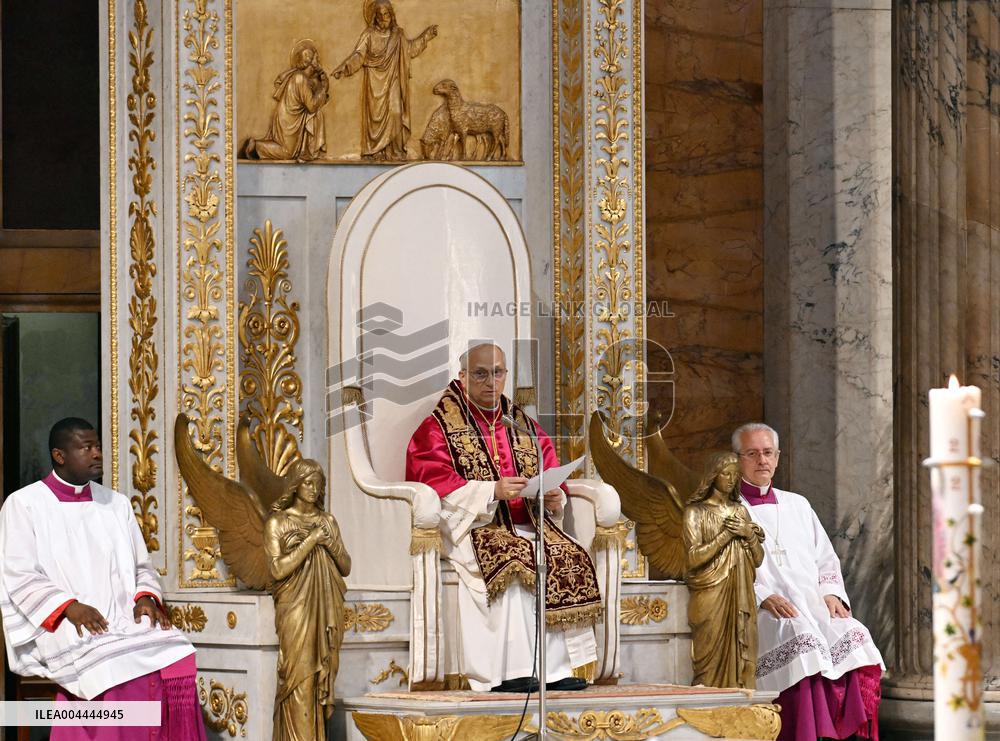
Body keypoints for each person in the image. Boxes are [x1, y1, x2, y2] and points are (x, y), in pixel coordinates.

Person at [405, 343, 601, 692]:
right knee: (514, 557)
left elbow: (549, 466)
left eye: (498, 372)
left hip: (530, 523)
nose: (491, 382)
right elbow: (433, 481)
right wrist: (491, 491)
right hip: (475, 526)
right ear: (463, 376)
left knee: (565, 555)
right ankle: (509, 671)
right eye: (481, 373)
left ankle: (554, 671)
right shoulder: (438, 427)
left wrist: (556, 497)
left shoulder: (519, 423)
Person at [0, 418, 205, 740]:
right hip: (62, 621)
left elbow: (142, 566)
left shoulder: (116, 503)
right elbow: (19, 573)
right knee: (110, 665)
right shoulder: (24, 504)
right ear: (59, 455)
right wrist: (69, 607)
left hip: (121, 615)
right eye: (86, 448)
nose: (97, 454)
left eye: (98, 446)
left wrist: (146, 598)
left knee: (178, 650)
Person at [734, 422, 884, 741]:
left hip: (812, 603)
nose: (762, 460)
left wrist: (831, 593)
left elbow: (825, 557)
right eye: (752, 453)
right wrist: (761, 595)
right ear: (737, 459)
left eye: (768, 453)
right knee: (803, 640)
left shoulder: (798, 504)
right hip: (762, 610)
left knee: (855, 633)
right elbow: (726, 569)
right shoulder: (729, 510)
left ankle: (848, 733)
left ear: (777, 457)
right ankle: (807, 734)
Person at [264, 458, 351, 740]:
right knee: (299, 678)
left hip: (326, 607)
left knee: (319, 679)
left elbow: (346, 566)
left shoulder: (328, 521)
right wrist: (310, 541)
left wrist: (330, 543)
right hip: (295, 608)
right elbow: (277, 569)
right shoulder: (277, 522)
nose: (314, 489)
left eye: (319, 484)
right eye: (308, 483)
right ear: (295, 484)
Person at [683, 452, 764, 689]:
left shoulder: (740, 512)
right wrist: (726, 535)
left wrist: (748, 534)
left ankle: (740, 701)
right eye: (725, 474)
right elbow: (692, 558)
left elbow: (758, 559)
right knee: (707, 657)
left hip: (741, 593)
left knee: (743, 651)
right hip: (709, 592)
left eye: (735, 475)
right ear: (712, 476)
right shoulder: (695, 513)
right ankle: (707, 704)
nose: (731, 479)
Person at [332, 0, 437, 160]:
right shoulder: (368, 34)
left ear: (391, 15)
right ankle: (374, 151)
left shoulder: (398, 35)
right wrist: (345, 67)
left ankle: (395, 152)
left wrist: (426, 37)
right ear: (374, 16)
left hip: (393, 81)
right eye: (380, 14)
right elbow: (358, 55)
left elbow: (410, 50)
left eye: (386, 13)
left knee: (396, 112)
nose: (383, 17)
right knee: (374, 120)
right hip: (375, 85)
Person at [243, 39, 330, 162]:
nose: (319, 61)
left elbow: (313, 103)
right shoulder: (300, 79)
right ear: (309, 61)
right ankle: (257, 146)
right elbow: (311, 106)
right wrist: (323, 89)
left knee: (318, 115)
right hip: (289, 120)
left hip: (290, 117)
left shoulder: (304, 79)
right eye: (316, 58)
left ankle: (311, 151)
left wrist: (322, 86)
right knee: (288, 153)